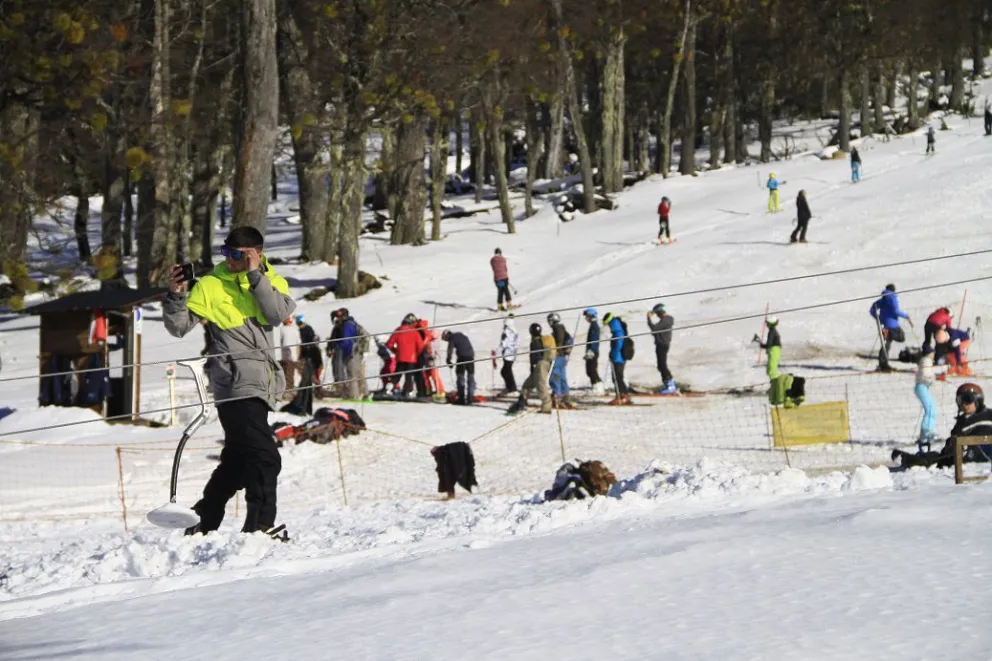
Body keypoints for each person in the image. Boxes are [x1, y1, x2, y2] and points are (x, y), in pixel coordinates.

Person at [163, 226, 295, 536]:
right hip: (233, 385)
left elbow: (276, 314)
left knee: (237, 461)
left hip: (263, 383)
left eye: (238, 255)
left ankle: (202, 520)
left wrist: (255, 278)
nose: (230, 260)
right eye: (227, 252)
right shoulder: (211, 284)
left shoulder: (271, 281)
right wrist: (176, 295)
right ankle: (261, 526)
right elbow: (179, 326)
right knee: (265, 457)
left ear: (255, 255)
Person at [892, 383, 992, 469]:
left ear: (978, 400)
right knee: (938, 456)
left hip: (981, 454)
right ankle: (917, 460)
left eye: (968, 400)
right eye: (960, 400)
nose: (964, 404)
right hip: (957, 454)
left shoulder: (987, 416)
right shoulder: (963, 420)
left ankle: (921, 462)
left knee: (941, 458)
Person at [507, 323, 554, 415]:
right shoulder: (540, 340)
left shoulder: (535, 342)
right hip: (539, 366)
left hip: (540, 365)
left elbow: (535, 357)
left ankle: (547, 407)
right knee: (526, 385)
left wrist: (534, 368)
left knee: (541, 386)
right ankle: (522, 402)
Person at [869, 284, 912, 372]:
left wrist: (878, 319)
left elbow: (872, 309)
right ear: (893, 290)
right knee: (901, 337)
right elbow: (895, 311)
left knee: (886, 345)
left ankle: (883, 364)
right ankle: (884, 364)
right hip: (893, 325)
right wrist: (906, 316)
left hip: (885, 325)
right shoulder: (893, 298)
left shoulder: (883, 299)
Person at [386, 313, 426, 398]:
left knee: (396, 376)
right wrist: (416, 353)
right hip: (411, 359)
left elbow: (389, 344)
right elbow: (421, 346)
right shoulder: (415, 332)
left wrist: (396, 351)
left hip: (400, 357)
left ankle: (388, 389)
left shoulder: (398, 330)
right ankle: (405, 392)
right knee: (409, 377)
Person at [914, 345, 943, 453]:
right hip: (922, 386)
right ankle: (927, 432)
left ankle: (924, 435)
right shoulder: (927, 361)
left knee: (931, 409)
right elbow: (926, 375)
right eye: (932, 352)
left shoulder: (925, 361)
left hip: (922, 387)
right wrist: (935, 378)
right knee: (930, 410)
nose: (934, 354)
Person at [337, 308, 369, 401]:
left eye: (339, 316)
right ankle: (365, 394)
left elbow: (347, 341)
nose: (337, 318)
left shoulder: (347, 325)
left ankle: (353, 396)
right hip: (358, 352)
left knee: (352, 375)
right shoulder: (353, 323)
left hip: (352, 353)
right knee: (359, 373)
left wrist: (337, 345)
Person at [648, 303, 677, 394]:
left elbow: (654, 329)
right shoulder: (665, 320)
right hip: (662, 344)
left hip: (662, 344)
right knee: (661, 365)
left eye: (657, 313)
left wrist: (648, 319)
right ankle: (669, 383)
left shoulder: (665, 320)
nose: (656, 315)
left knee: (662, 365)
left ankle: (670, 385)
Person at [547, 312, 574, 408]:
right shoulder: (562, 329)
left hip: (558, 356)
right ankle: (565, 398)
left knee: (555, 377)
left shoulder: (557, 329)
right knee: (562, 378)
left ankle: (557, 399)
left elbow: (558, 342)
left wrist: (555, 349)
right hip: (562, 357)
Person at [603, 312, 631, 405]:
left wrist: (613, 354)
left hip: (618, 358)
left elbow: (618, 343)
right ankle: (623, 396)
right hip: (620, 357)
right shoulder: (618, 327)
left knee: (617, 378)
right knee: (618, 377)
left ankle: (622, 396)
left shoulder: (616, 329)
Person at [442, 330, 476, 405]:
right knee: (471, 376)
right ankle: (470, 397)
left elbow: (450, 350)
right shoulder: (462, 335)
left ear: (447, 335)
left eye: (446, 339)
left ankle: (461, 398)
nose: (447, 341)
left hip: (462, 358)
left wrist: (448, 360)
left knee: (460, 376)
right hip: (471, 357)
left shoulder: (452, 338)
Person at [276, 317, 303, 400]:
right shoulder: (295, 330)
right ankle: (289, 391)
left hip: (284, 356)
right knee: (290, 374)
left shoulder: (281, 329)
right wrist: (297, 356)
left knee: (284, 374)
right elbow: (299, 344)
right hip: (294, 356)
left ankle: (286, 392)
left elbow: (278, 342)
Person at [583, 308, 604, 396]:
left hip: (593, 352)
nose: (586, 318)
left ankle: (598, 387)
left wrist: (591, 350)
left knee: (592, 370)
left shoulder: (594, 326)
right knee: (589, 370)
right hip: (591, 351)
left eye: (587, 316)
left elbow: (595, 340)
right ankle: (595, 386)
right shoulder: (592, 325)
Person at [325, 310, 346, 397]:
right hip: (336, 349)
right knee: (336, 366)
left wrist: (332, 346)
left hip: (338, 349)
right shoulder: (338, 326)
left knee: (338, 367)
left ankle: (340, 387)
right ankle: (338, 385)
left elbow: (337, 339)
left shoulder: (340, 326)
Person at [497, 315, 519, 395]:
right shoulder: (515, 331)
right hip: (512, 354)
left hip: (507, 354)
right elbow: (516, 342)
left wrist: (497, 352)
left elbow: (503, 343)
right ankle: (510, 388)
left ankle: (512, 389)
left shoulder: (506, 332)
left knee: (506, 371)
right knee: (505, 371)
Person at [490, 248, 516, 312]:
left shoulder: (492, 260)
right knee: (506, 291)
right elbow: (505, 268)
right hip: (504, 277)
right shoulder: (503, 259)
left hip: (497, 279)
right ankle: (509, 305)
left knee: (500, 291)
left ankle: (500, 306)